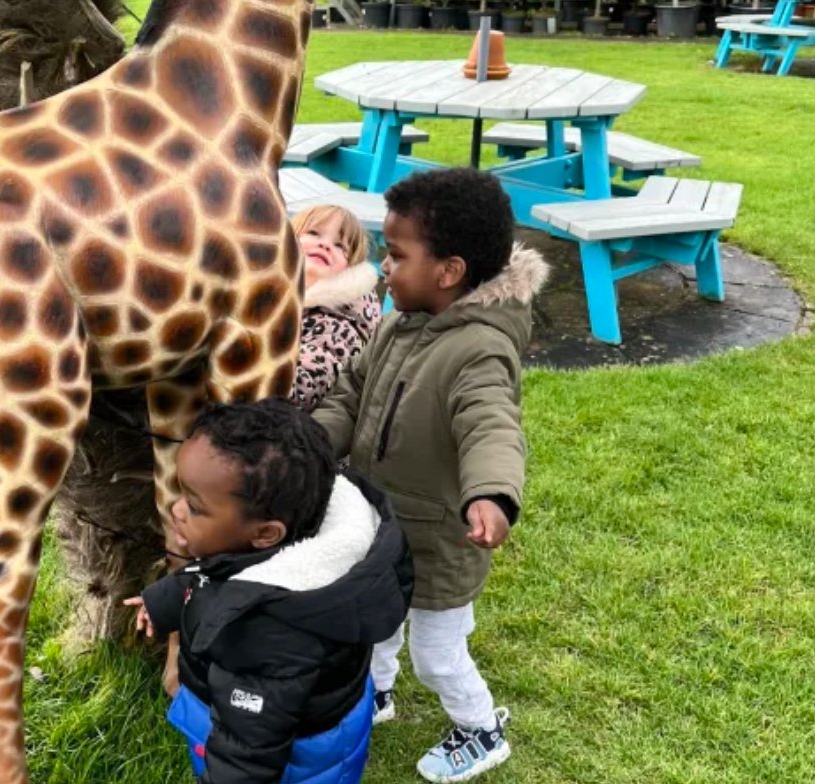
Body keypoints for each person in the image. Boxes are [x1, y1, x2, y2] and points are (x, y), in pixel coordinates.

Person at [312, 168, 549, 783]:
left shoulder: (479, 349)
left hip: (440, 541)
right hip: (383, 522)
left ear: (448, 272)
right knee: (376, 620)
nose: (384, 268)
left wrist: (491, 493)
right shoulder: (397, 324)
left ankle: (481, 729)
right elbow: (352, 392)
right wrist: (312, 442)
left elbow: (491, 424)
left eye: (396, 255)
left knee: (438, 655)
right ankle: (376, 693)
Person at [124, 398, 413, 784]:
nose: (176, 509)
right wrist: (161, 602)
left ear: (265, 534)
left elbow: (245, 754)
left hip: (294, 765)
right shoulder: (254, 552)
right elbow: (208, 576)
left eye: (194, 506)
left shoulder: (268, 634)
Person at [290, 205, 382, 412]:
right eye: (314, 233)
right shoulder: (265, 297)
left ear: (350, 267)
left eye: (340, 246)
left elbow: (304, 388)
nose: (325, 245)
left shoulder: (342, 322)